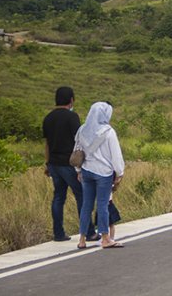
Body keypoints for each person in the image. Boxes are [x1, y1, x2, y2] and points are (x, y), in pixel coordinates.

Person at [43, 86, 97, 242]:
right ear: (71, 99)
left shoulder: (48, 118)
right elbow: (80, 139)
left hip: (54, 164)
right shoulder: (72, 117)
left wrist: (47, 164)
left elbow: (46, 144)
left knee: (58, 197)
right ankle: (88, 231)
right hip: (69, 164)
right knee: (82, 195)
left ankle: (58, 233)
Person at [75, 102, 125, 249]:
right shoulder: (108, 132)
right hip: (103, 173)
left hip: (86, 171)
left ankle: (82, 239)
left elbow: (77, 151)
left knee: (86, 206)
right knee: (102, 205)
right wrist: (120, 173)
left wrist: (78, 171)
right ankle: (105, 238)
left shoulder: (82, 130)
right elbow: (116, 155)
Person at [94, 173, 121, 242]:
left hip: (108, 204)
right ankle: (104, 238)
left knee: (111, 224)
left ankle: (111, 238)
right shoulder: (105, 184)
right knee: (102, 223)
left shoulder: (109, 185)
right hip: (102, 205)